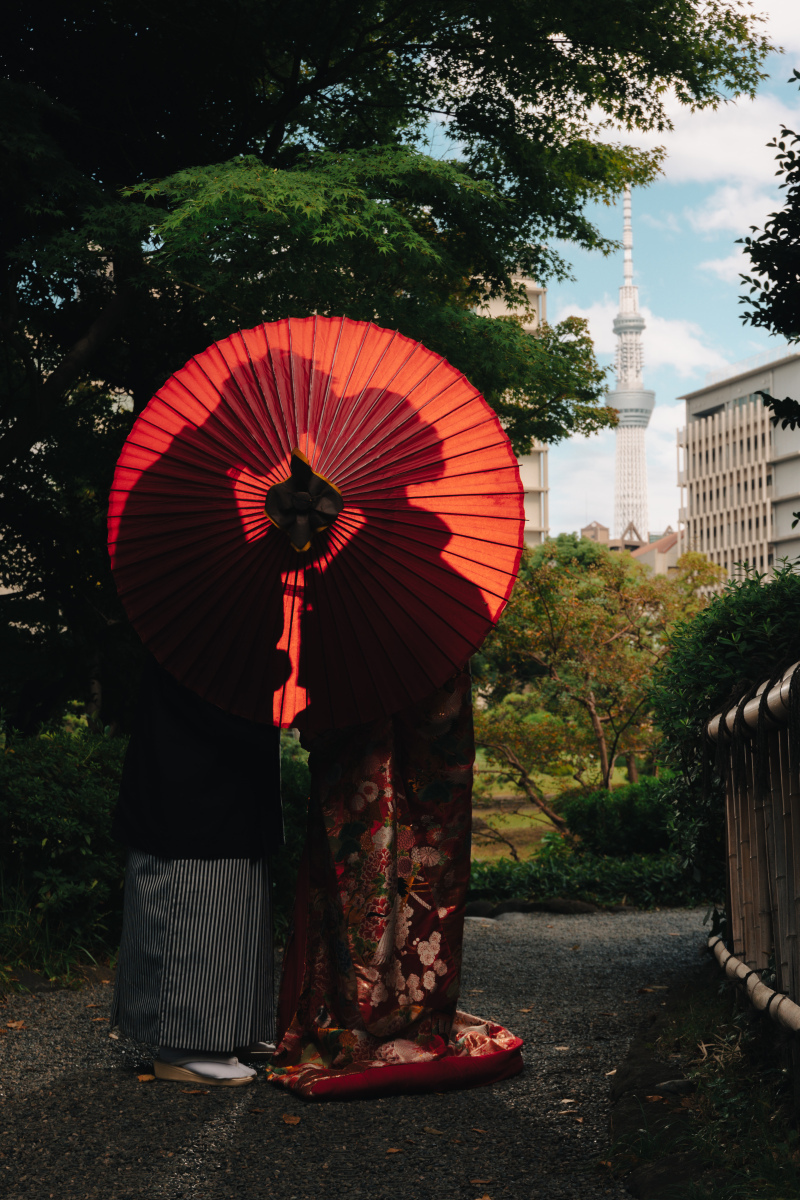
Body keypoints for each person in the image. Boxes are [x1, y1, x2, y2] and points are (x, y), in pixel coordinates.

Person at [268, 669, 522, 1100]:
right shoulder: (423, 645)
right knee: (398, 881)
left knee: (374, 879)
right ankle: (408, 1018)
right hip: (406, 747)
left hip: (361, 753)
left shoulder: (354, 643)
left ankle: (360, 1019)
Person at [111, 657, 283, 1086]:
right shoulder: (193, 643)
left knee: (232, 916)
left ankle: (228, 1032)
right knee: (191, 911)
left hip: (226, 790)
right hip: (187, 792)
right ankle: (183, 1045)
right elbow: (214, 704)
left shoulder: (227, 635)